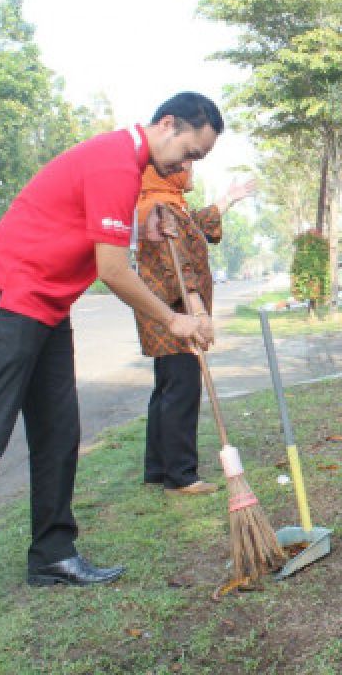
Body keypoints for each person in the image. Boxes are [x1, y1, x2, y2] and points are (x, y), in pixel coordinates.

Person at [0, 92, 223, 637]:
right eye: (189, 152)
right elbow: (113, 271)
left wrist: (139, 228)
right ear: (167, 123)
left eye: (196, 160)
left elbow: (90, 230)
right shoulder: (112, 161)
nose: (186, 167)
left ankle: (53, 554)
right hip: (6, 302)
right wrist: (173, 321)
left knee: (59, 434)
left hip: (47, 310)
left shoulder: (126, 169)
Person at [135, 165, 256, 495]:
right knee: (182, 390)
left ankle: (157, 469)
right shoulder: (159, 210)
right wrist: (199, 314)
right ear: (169, 172)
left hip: (164, 315)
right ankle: (181, 476)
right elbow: (179, 266)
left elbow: (194, 230)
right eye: (186, 167)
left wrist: (227, 200)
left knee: (167, 388)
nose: (190, 174)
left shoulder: (167, 204)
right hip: (175, 314)